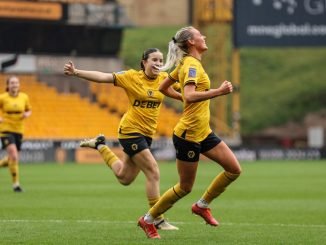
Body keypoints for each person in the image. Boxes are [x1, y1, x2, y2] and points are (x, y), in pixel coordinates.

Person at [137, 26, 242, 239]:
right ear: (191, 42)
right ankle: (148, 219)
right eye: (199, 34)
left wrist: (184, 98)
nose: (203, 36)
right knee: (185, 187)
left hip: (203, 131)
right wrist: (219, 92)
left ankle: (202, 206)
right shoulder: (191, 66)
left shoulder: (186, 63)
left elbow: (164, 88)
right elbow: (191, 95)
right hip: (188, 135)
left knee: (233, 169)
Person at [63, 48, 182, 230]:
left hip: (146, 134)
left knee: (124, 177)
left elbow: (186, 88)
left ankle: (100, 146)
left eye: (160, 60)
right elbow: (103, 77)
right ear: (144, 62)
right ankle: (157, 219)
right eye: (154, 60)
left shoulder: (164, 79)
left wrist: (209, 91)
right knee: (153, 171)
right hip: (130, 131)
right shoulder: (131, 77)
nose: (158, 63)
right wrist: (76, 72)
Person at [0, 75, 32, 192]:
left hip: (19, 130)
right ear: (8, 85)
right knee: (13, 155)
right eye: (12, 83)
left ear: (19, 85)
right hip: (5, 129)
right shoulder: (2, 97)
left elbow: (29, 110)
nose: (14, 85)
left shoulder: (24, 97)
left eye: (16, 83)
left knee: (12, 158)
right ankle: (16, 185)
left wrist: (27, 114)